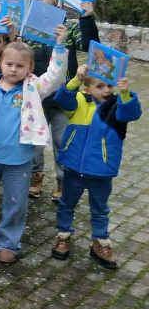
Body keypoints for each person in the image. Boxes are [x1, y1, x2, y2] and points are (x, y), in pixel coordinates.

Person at [0, 30, 67, 263]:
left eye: (20, 66)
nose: (13, 69)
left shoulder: (33, 88)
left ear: (30, 67)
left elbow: (55, 75)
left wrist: (59, 46)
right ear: (0, 63)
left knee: (15, 203)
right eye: (9, 64)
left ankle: (9, 242)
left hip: (19, 159)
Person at [51, 64, 141, 269]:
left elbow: (132, 113)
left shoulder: (117, 107)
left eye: (110, 86)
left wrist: (125, 93)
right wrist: (76, 79)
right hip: (73, 169)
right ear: (87, 89)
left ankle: (100, 242)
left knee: (100, 210)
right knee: (66, 203)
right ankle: (63, 236)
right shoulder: (79, 102)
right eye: (100, 86)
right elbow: (62, 98)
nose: (107, 90)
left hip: (101, 172)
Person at [25, 0, 99, 200]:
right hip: (37, 98)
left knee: (62, 140)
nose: (45, 14)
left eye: (50, 8)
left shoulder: (70, 29)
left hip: (63, 98)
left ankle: (63, 181)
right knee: (34, 141)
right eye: (40, 10)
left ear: (58, 9)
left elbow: (90, 46)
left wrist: (87, 19)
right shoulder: (29, 33)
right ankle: (35, 176)